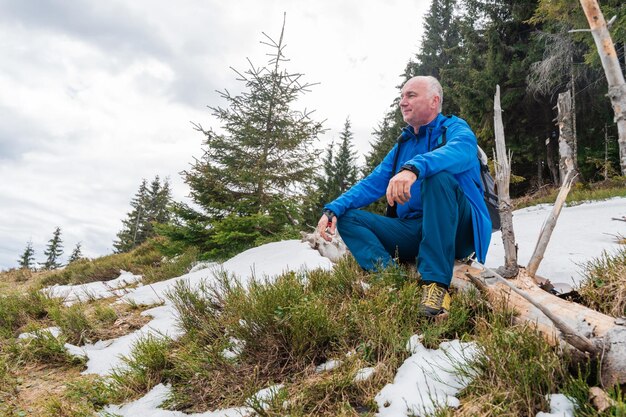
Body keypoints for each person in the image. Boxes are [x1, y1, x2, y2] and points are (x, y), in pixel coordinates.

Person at [316, 75, 492, 318]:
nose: (402, 102)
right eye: (401, 97)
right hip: (414, 230)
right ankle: (392, 281)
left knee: (437, 177)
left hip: (457, 229)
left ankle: (435, 286)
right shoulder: (403, 145)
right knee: (348, 217)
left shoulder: (454, 129)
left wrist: (414, 168)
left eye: (411, 95)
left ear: (434, 101)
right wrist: (332, 210)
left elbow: (462, 152)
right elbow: (372, 183)